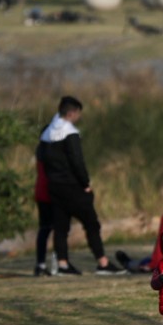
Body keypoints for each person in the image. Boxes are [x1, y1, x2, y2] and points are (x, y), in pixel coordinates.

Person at [39, 96, 123, 275]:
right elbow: (77, 162)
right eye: (78, 113)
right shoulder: (70, 133)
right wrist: (85, 183)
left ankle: (63, 264)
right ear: (72, 113)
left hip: (54, 186)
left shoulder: (46, 133)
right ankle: (102, 262)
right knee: (91, 224)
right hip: (73, 186)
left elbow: (43, 160)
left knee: (61, 227)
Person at [33, 135, 54, 276]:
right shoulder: (50, 152)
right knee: (57, 229)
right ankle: (59, 263)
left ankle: (41, 263)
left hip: (41, 192)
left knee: (44, 229)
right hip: (50, 193)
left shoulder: (40, 150)